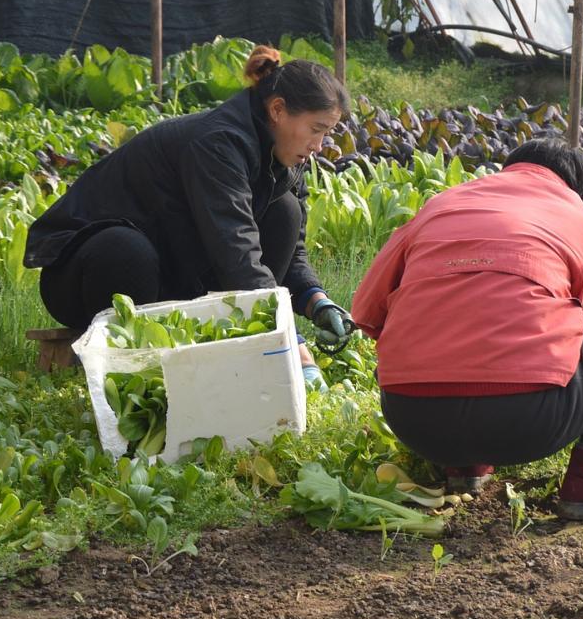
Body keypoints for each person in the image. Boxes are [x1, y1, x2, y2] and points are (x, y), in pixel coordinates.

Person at [349, 136, 583, 519]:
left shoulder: (440, 206)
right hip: (528, 423)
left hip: (414, 420)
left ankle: (462, 465)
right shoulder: (581, 220)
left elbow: (365, 312)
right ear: (580, 193)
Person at [24, 47, 353, 387]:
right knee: (126, 250)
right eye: (316, 129)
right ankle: (129, 363)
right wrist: (292, 343)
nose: (320, 145)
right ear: (278, 109)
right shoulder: (217, 143)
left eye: (326, 132)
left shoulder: (286, 159)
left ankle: (230, 342)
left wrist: (317, 301)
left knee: (285, 211)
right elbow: (236, 253)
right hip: (83, 275)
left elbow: (292, 251)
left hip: (170, 268)